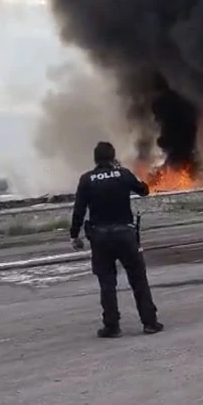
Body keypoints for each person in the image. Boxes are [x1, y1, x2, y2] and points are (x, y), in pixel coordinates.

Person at [69, 141, 163, 338]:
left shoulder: (87, 179)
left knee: (107, 283)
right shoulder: (123, 174)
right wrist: (121, 171)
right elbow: (144, 190)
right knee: (138, 279)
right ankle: (150, 323)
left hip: (100, 238)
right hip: (125, 235)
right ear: (113, 157)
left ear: (95, 159)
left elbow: (79, 210)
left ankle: (112, 326)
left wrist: (74, 235)